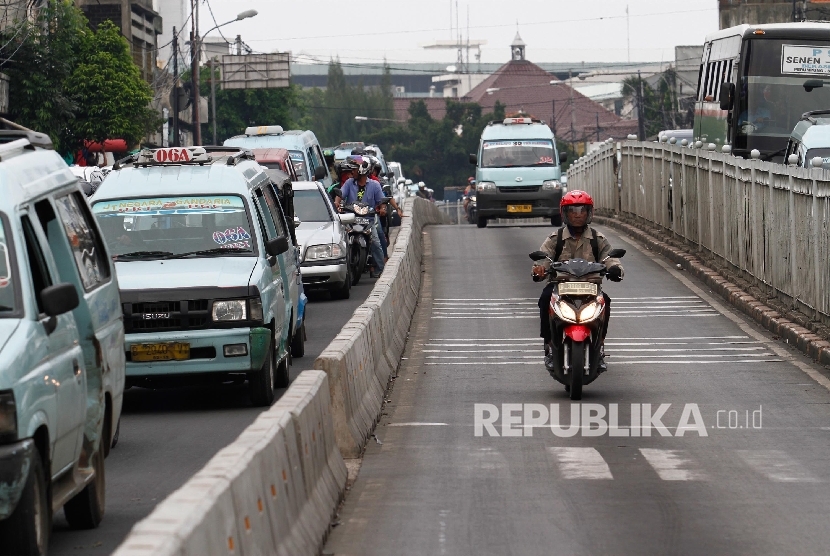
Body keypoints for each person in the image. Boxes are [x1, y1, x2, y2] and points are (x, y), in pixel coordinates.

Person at [531, 190, 624, 373]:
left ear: (589, 213)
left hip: (590, 286)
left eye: (582, 210)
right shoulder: (555, 238)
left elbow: (610, 257)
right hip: (561, 286)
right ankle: (549, 344)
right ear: (565, 213)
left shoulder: (598, 239)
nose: (578, 214)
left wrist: (615, 269)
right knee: (544, 299)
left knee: (606, 301)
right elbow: (542, 258)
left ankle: (601, 346)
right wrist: (539, 270)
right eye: (573, 210)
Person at [341, 158, 386, 277]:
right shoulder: (349, 183)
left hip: (368, 219)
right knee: (341, 242)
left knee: (376, 243)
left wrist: (382, 208)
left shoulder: (375, 185)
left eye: (354, 170)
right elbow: (340, 195)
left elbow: (381, 201)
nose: (352, 172)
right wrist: (337, 204)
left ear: (361, 170)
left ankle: (380, 268)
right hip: (350, 218)